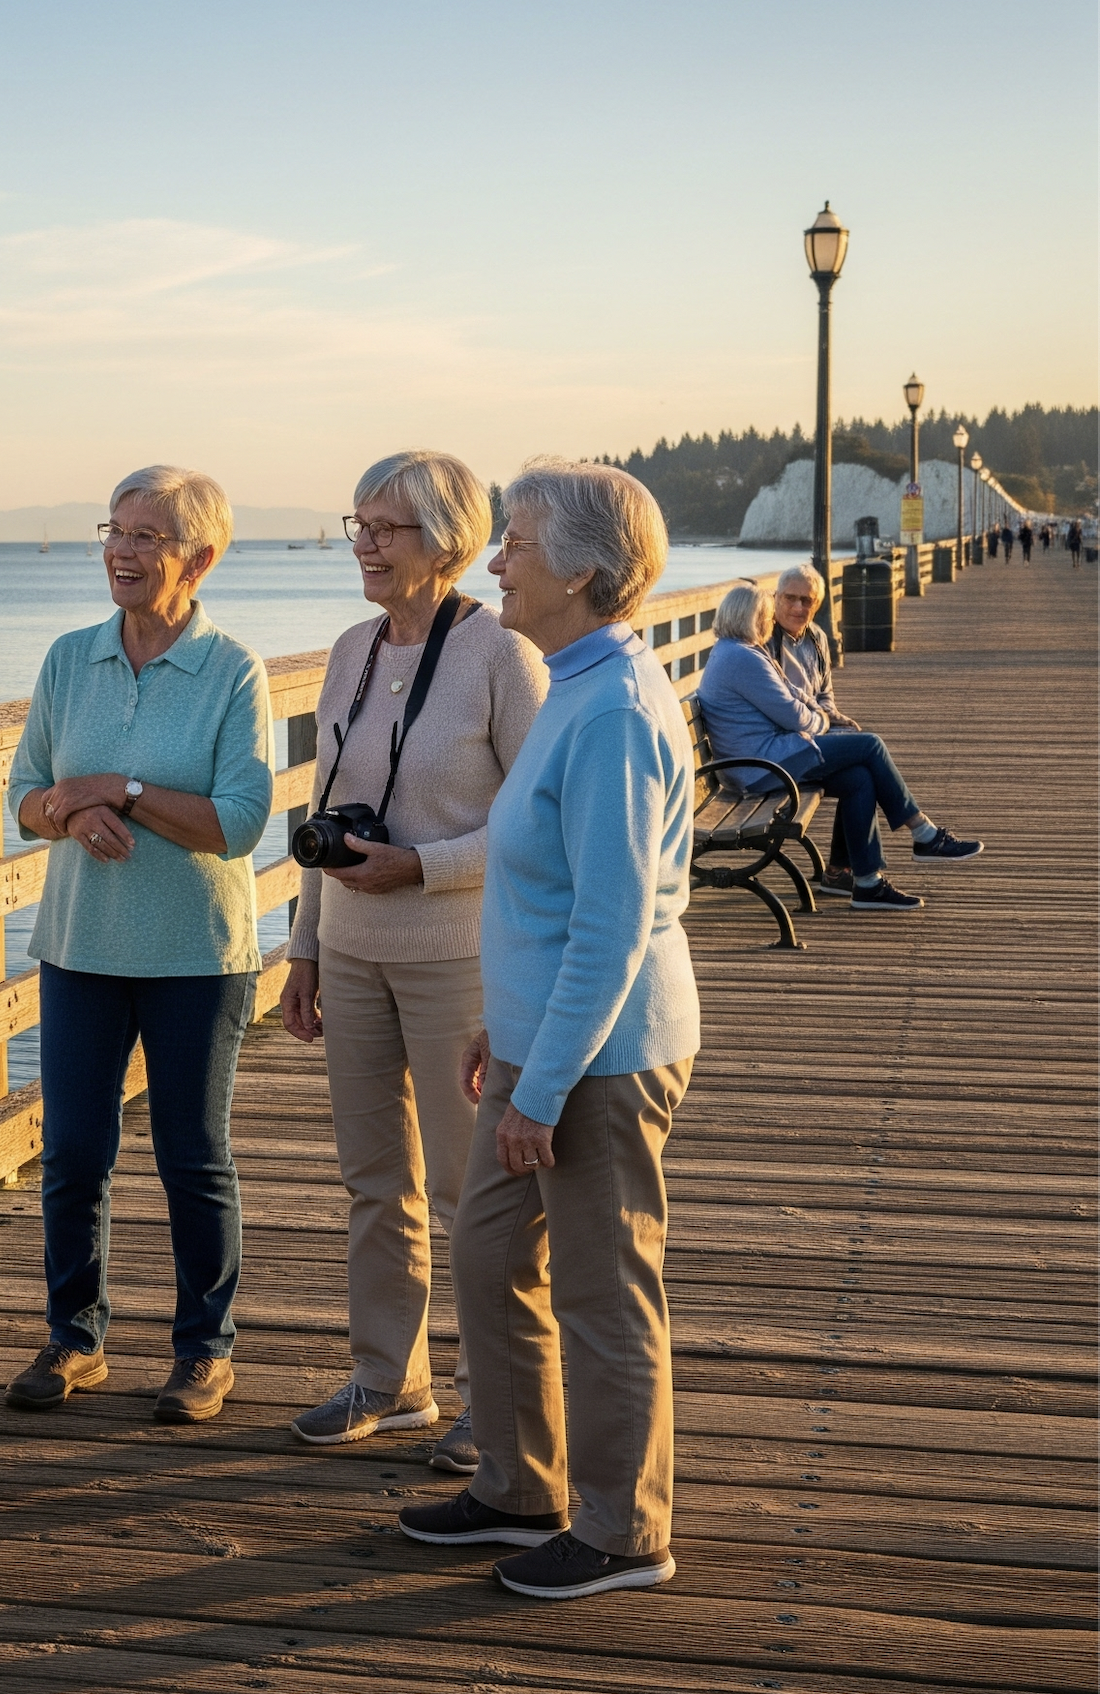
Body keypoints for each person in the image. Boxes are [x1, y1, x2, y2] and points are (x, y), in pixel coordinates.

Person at [394, 459, 697, 1599]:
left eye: (513, 542)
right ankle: (520, 1487)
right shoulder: (573, 676)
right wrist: (499, 1024)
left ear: (581, 570)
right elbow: (543, 895)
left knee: (602, 1289)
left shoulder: (614, 708)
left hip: (606, 1056)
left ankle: (624, 1533)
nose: (495, 560)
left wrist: (542, 1084)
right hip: (547, 1040)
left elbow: (614, 925)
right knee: (485, 1256)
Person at [277, 453, 545, 1469]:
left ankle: (496, 1402)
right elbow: (317, 811)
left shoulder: (499, 657)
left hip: (455, 960)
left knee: (471, 1191)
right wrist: (301, 947)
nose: (364, 543)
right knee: (373, 1180)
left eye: (385, 527)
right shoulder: (347, 649)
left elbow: (535, 826)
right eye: (358, 523)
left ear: (449, 539)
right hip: (350, 955)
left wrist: (423, 867)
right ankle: (389, 1382)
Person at [4, 465, 273, 1424]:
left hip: (196, 955)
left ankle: (206, 1349)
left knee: (191, 1156)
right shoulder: (70, 658)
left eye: (149, 534)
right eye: (115, 529)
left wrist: (119, 790)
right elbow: (25, 795)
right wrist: (68, 814)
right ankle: (74, 1339)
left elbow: (240, 822)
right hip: (80, 945)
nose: (122, 548)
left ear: (199, 558)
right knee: (75, 1152)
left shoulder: (232, 668)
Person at [696, 580, 983, 912]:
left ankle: (867, 884)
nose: (770, 621)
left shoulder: (745, 651)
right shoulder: (740, 658)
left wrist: (821, 715)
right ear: (751, 617)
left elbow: (794, 694)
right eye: (767, 615)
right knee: (870, 745)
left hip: (768, 757)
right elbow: (796, 717)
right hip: (760, 768)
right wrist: (826, 723)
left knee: (858, 778)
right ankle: (923, 833)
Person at [765, 565, 860, 893]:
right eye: (790, 598)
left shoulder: (818, 638)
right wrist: (825, 721)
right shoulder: (764, 642)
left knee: (859, 775)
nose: (797, 607)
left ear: (817, 605)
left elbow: (824, 695)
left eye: (807, 601)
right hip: (780, 747)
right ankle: (916, 830)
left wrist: (834, 717)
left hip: (814, 732)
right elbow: (780, 708)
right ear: (775, 598)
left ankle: (841, 871)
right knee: (867, 752)